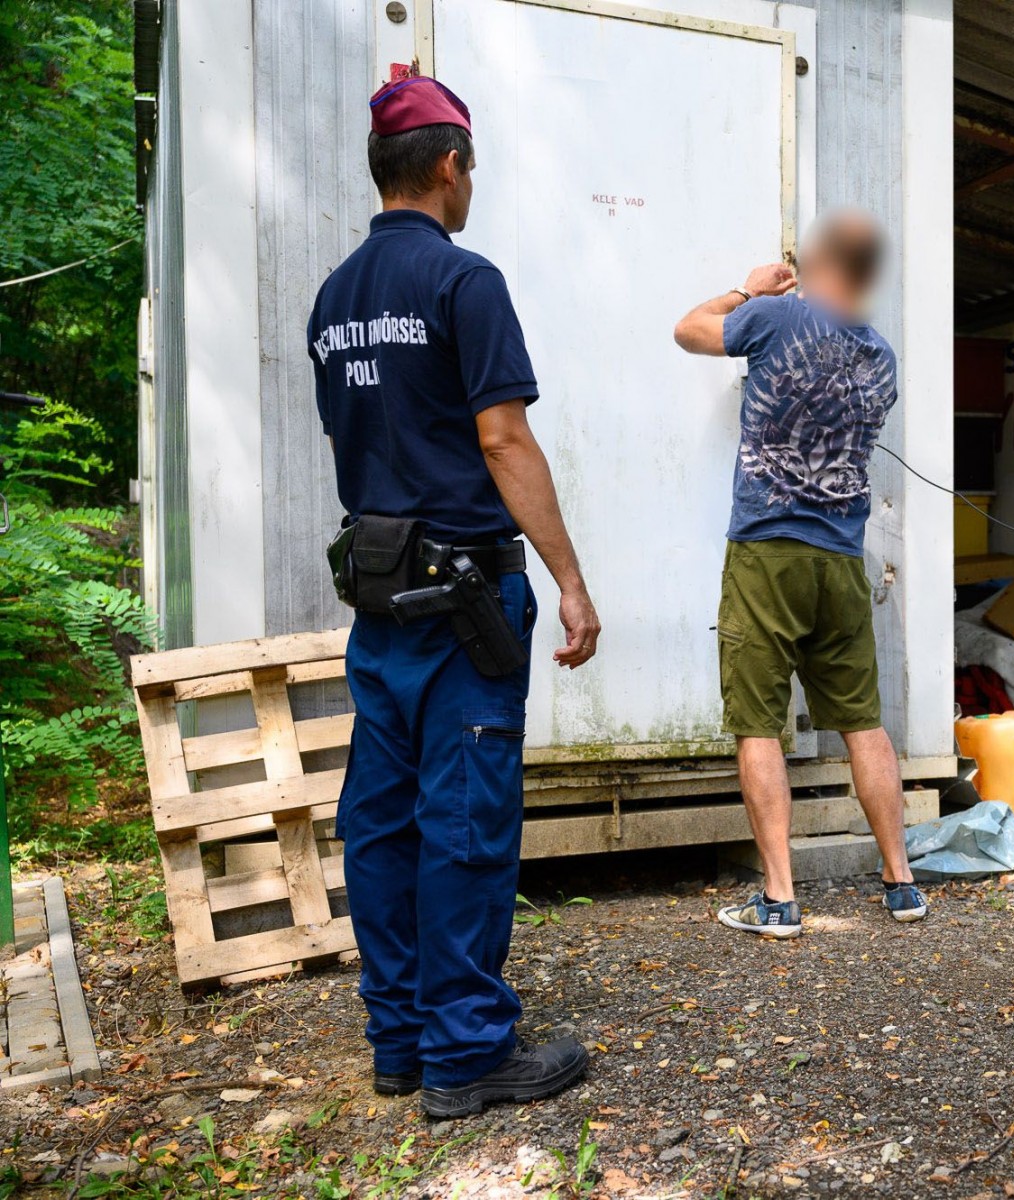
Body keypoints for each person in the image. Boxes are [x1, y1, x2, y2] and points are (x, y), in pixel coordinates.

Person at [308, 73, 599, 1117]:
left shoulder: (334, 300)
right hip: (464, 606)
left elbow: (361, 442)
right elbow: (501, 437)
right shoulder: (463, 282)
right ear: (447, 165)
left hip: (378, 602)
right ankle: (468, 1053)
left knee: (381, 825)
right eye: (469, 166)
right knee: (465, 820)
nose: (470, 183)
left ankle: (400, 1042)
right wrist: (569, 580)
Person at [673, 209, 929, 938]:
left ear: (819, 263)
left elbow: (688, 329)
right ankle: (901, 883)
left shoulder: (775, 316)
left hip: (766, 552)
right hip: (842, 562)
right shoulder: (881, 357)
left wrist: (745, 291)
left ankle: (780, 898)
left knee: (757, 725)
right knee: (864, 723)